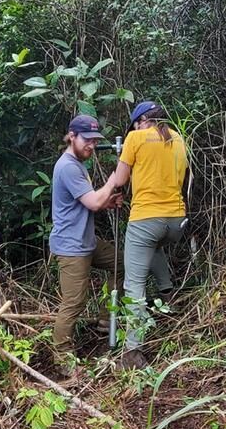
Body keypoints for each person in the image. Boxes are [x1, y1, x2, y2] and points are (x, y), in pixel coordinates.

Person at [106, 101, 188, 354]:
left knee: (134, 283)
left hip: (146, 219)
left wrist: (106, 190)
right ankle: (168, 293)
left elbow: (120, 179)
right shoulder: (178, 138)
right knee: (153, 247)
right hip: (176, 221)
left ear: (141, 121)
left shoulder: (135, 137)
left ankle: (133, 350)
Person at [49, 114, 123, 362]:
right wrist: (114, 180)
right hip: (72, 247)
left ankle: (105, 318)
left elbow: (85, 203)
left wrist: (107, 203)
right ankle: (63, 359)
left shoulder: (78, 164)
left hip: (87, 242)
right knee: (73, 303)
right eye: (87, 140)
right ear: (72, 137)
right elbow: (92, 202)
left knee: (120, 263)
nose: (91, 145)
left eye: (94, 140)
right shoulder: (68, 166)